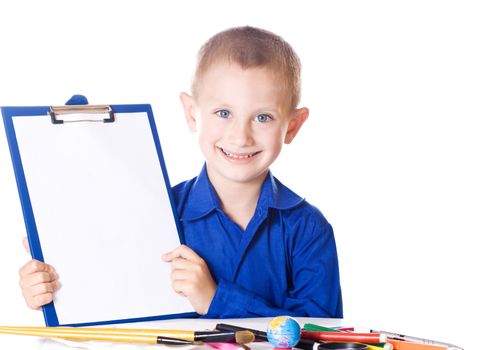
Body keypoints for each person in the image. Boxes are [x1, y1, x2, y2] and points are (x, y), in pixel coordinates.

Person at [18, 26, 343, 318]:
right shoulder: (155, 213)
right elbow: (106, 290)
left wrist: (216, 299)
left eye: (263, 118)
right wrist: (49, 288)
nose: (240, 136)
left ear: (293, 125)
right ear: (191, 113)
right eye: (224, 112)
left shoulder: (309, 230)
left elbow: (319, 336)